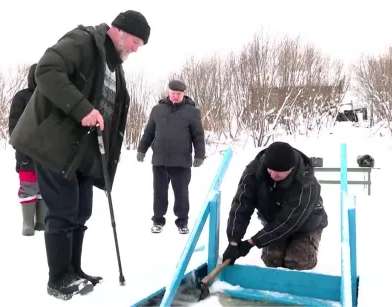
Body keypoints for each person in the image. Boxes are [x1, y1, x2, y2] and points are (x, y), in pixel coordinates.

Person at [9, 10, 150, 300]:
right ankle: (58, 278)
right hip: (54, 144)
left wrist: (111, 156)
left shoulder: (115, 69)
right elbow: (46, 70)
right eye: (136, 41)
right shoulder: (83, 41)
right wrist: (81, 108)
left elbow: (110, 115)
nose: (137, 49)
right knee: (62, 211)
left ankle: (74, 270)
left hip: (85, 154)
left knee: (81, 211)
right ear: (119, 31)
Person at [222, 141, 328, 271]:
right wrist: (233, 240)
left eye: (278, 172)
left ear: (291, 169)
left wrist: (252, 242)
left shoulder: (307, 184)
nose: (272, 175)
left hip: (306, 225)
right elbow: (241, 204)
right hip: (274, 221)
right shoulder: (254, 171)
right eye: (269, 169)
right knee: (271, 259)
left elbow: (289, 222)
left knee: (296, 261)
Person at [136, 80, 206, 235]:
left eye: (179, 94)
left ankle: (182, 222)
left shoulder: (192, 112)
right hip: (160, 160)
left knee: (182, 193)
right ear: (169, 92)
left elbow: (198, 135)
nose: (176, 96)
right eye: (173, 93)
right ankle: (158, 221)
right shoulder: (157, 109)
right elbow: (149, 132)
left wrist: (200, 154)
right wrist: (142, 149)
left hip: (181, 162)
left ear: (184, 94)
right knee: (159, 192)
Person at [8, 63, 47, 236]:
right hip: (27, 150)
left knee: (45, 186)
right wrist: (20, 148)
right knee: (28, 185)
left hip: (48, 151)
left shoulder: (53, 97)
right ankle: (27, 223)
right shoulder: (21, 97)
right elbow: (14, 125)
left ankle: (41, 220)